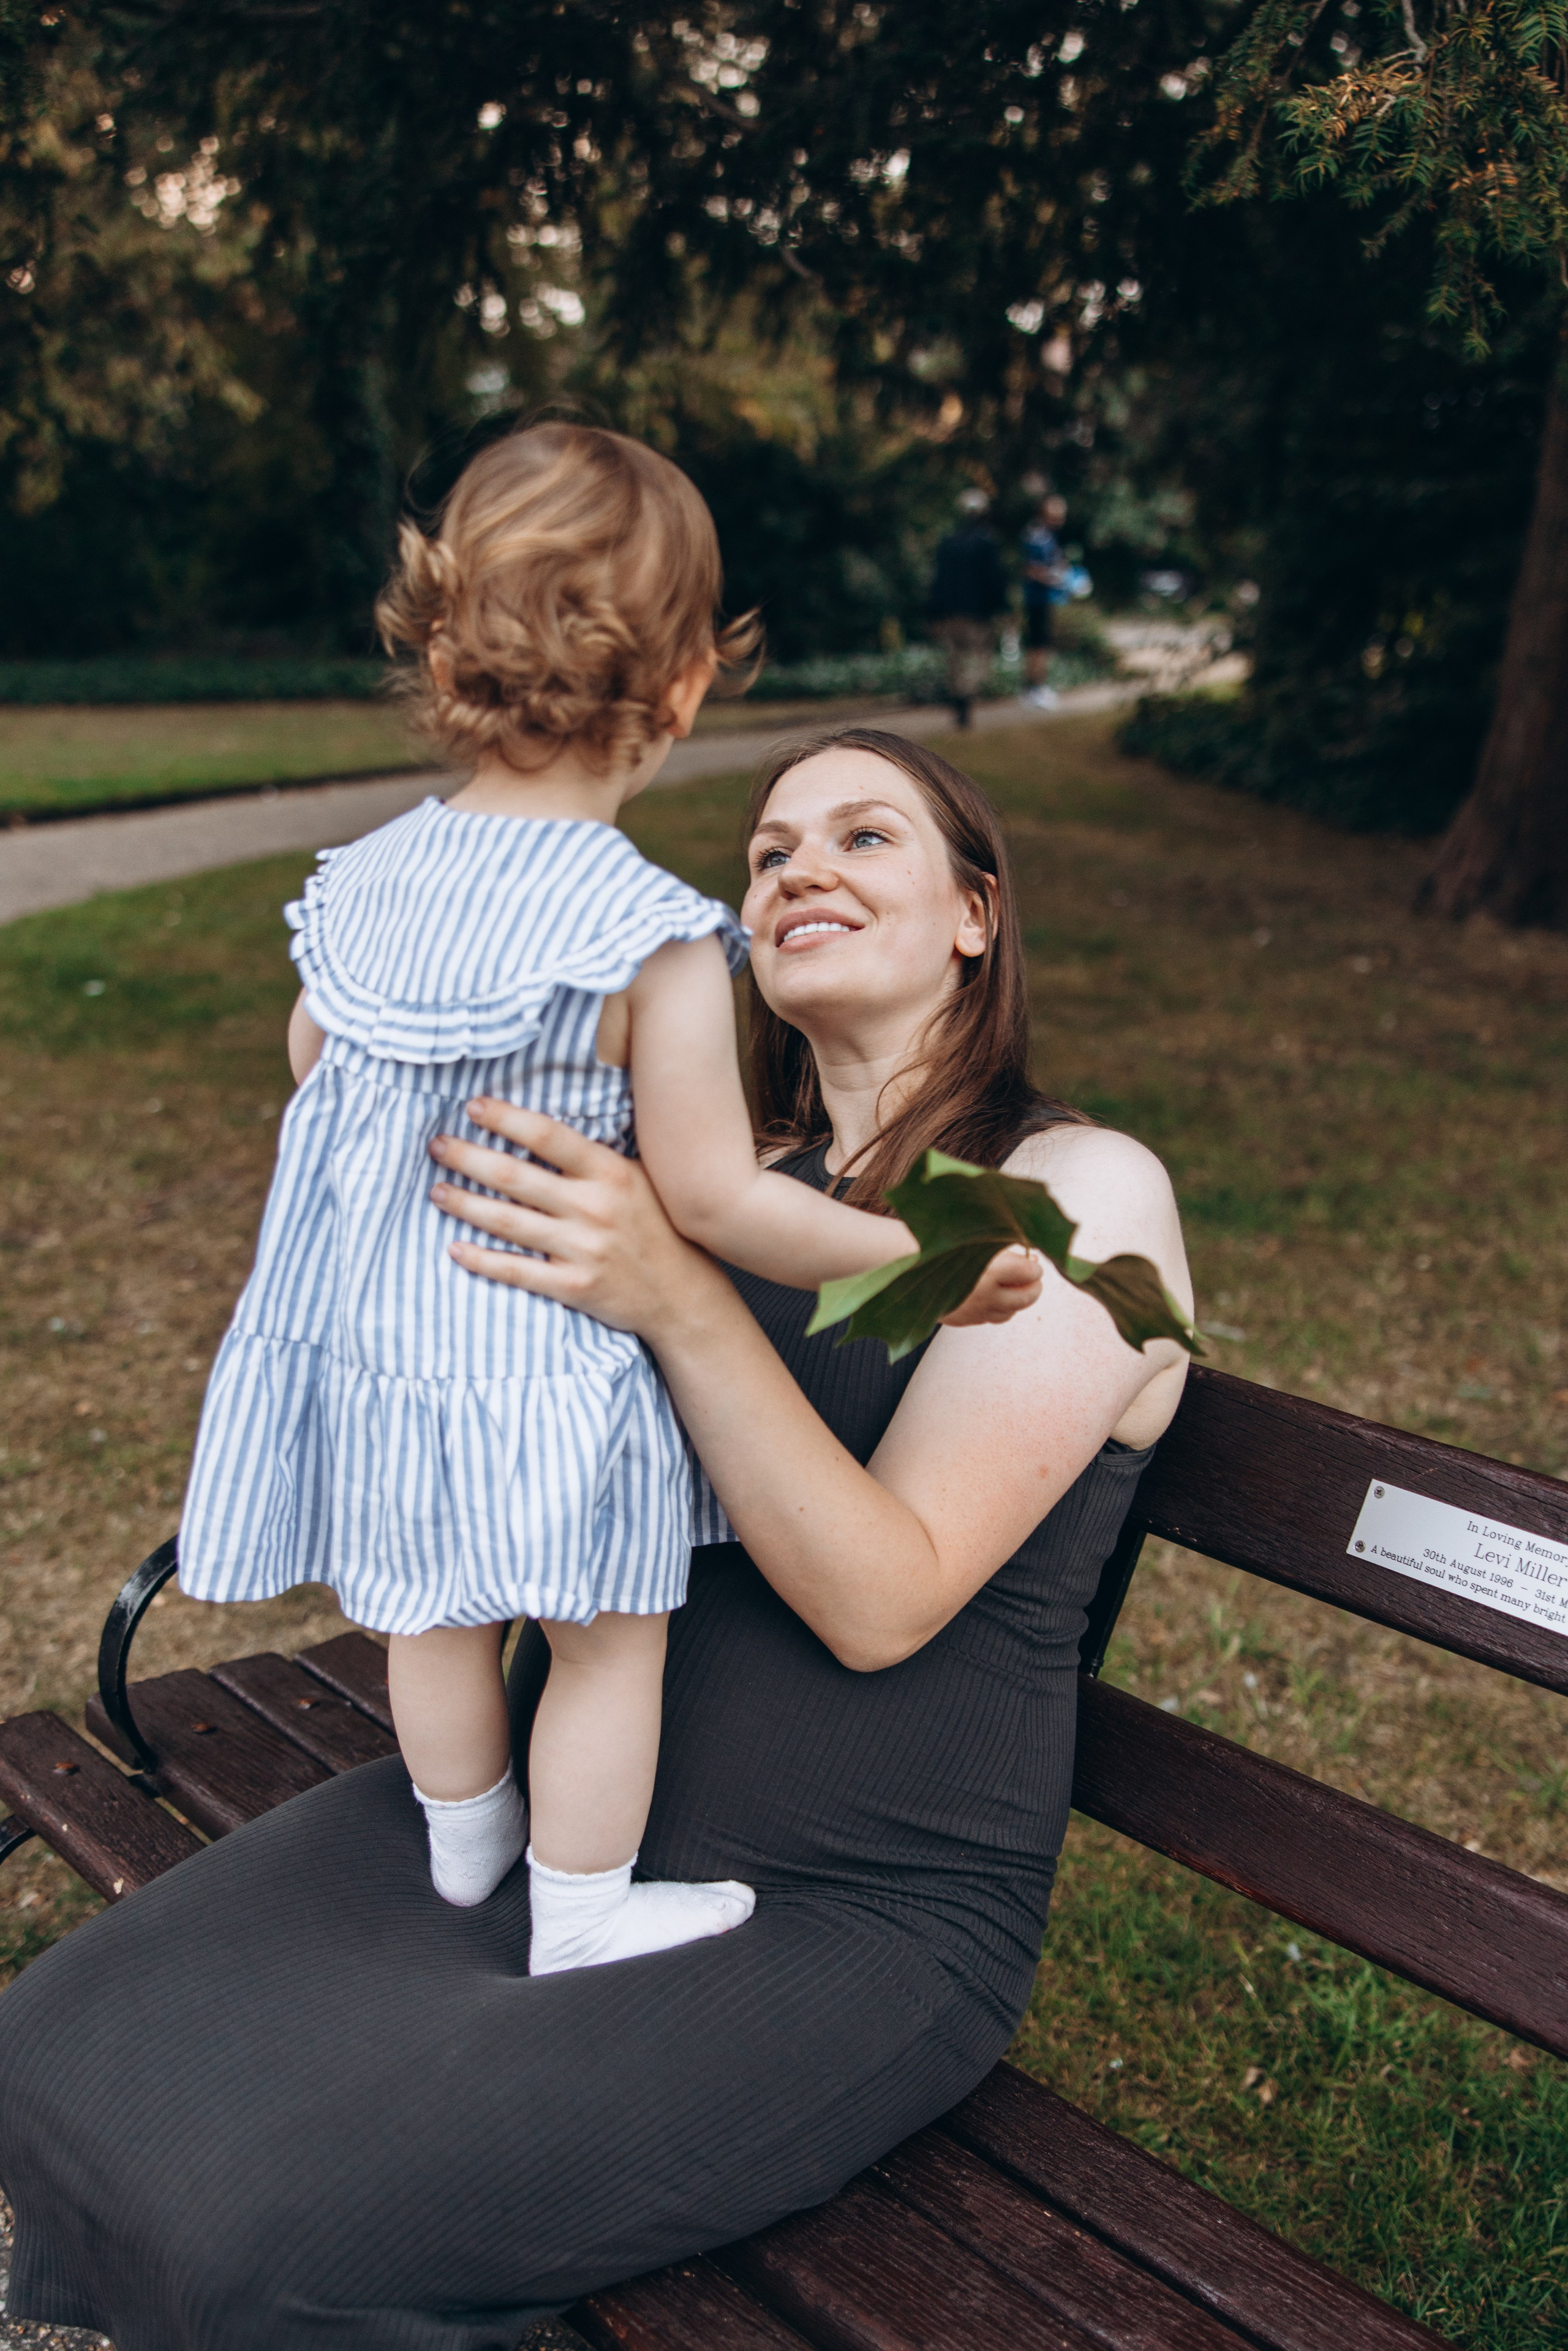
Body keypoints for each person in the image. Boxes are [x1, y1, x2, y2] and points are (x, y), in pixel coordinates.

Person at [0, 725, 1193, 2351]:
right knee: (59, 2041)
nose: (799, 870)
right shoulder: (718, 1180)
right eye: (769, 851)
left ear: (977, 912)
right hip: (587, 1826)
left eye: (863, 836)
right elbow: (363, 1072)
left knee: (259, 2237)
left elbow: (883, 1598)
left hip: (850, 1906)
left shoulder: (1073, 1191)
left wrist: (671, 1298)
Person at [175, 425, 1038, 1974]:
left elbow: (315, 1057)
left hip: (383, 1362)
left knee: (427, 1613)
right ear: (688, 684)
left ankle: (461, 1842)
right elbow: (713, 1199)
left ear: (444, 652)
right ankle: (577, 1906)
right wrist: (919, 1260)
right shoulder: (647, 935)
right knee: (602, 1639)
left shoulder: (361, 879)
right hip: (543, 1376)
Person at [928, 489, 1008, 729]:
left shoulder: (948, 542)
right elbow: (995, 579)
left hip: (951, 612)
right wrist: (1001, 607)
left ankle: (959, 699)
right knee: (978, 659)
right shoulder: (987, 543)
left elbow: (938, 580)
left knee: (955, 659)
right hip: (977, 614)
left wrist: (934, 611)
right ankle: (965, 697)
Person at [1020, 491, 1069, 711]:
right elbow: (1031, 570)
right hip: (1037, 600)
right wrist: (1056, 578)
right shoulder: (1036, 537)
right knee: (1039, 645)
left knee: (1041, 644)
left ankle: (1037, 687)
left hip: (1044, 598)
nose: (1060, 520)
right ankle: (1036, 688)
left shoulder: (1047, 536)